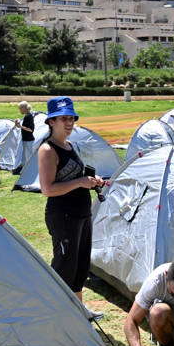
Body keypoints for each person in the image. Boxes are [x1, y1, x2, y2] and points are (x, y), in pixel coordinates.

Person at [37, 96, 105, 319]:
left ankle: (78, 310)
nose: (69, 123)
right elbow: (47, 189)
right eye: (63, 118)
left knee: (80, 265)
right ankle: (56, 314)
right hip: (63, 215)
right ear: (51, 122)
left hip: (81, 213)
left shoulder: (69, 145)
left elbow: (75, 176)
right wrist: (79, 183)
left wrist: (91, 179)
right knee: (64, 265)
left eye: (71, 118)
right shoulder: (48, 150)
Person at [14, 101, 36, 170]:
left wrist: (20, 126)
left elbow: (30, 129)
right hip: (25, 139)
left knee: (29, 157)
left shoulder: (29, 116)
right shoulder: (26, 116)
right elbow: (23, 127)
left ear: (24, 108)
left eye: (20, 108)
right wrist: (18, 124)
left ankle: (31, 170)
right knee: (24, 157)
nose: (19, 110)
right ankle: (23, 169)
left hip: (29, 140)